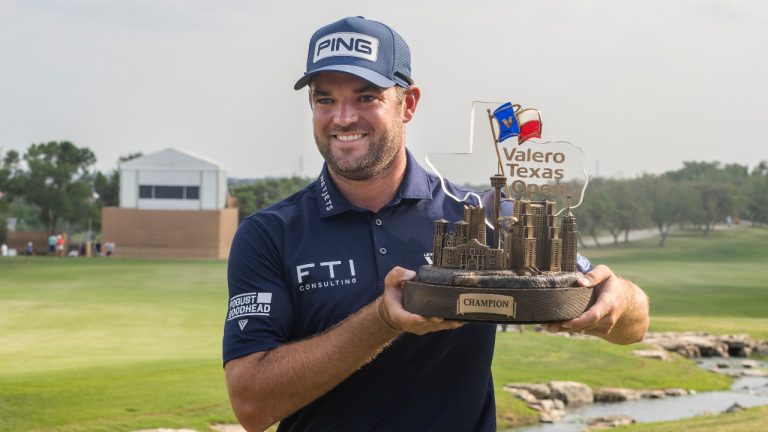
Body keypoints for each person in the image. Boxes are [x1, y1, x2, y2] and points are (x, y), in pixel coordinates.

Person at [223, 16, 650, 432]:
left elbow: (634, 324)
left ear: (407, 104)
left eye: (366, 97)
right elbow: (251, 405)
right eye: (325, 99)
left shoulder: (482, 214)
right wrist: (382, 321)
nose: (343, 117)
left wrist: (619, 300)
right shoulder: (268, 233)